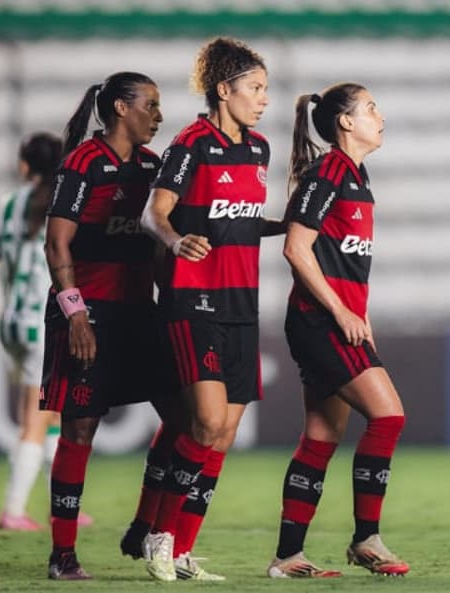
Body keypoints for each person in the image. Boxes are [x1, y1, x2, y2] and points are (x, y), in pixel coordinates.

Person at [135, 37, 278, 581]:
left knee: (223, 434)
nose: (263, 99)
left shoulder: (259, 149)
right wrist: (175, 241)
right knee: (207, 421)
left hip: (243, 303)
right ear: (224, 89)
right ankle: (158, 535)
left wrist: (294, 224)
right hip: (193, 300)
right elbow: (154, 214)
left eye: (265, 89)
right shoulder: (190, 144)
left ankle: (182, 550)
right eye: (255, 88)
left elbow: (242, 222)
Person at [267, 84, 408, 578]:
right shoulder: (327, 173)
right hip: (318, 321)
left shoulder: (355, 174)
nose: (380, 116)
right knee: (388, 417)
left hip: (337, 320)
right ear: (346, 122)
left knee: (321, 435)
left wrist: (358, 313)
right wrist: (341, 311)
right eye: (371, 108)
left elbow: (340, 259)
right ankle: (366, 538)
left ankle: (287, 556)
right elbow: (296, 248)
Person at [42, 71, 163, 580]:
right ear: (119, 107)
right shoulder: (84, 163)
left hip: (139, 312)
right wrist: (75, 313)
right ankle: (62, 555)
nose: (158, 116)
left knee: (184, 416)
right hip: (88, 314)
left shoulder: (154, 166)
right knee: (81, 428)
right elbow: (56, 243)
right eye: (150, 105)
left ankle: (143, 526)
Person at [0, 132, 92, 531]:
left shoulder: (6, 205)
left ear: (25, 165)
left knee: (50, 415)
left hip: (12, 323)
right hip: (42, 326)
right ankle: (13, 510)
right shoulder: (63, 207)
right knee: (38, 417)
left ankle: (60, 505)